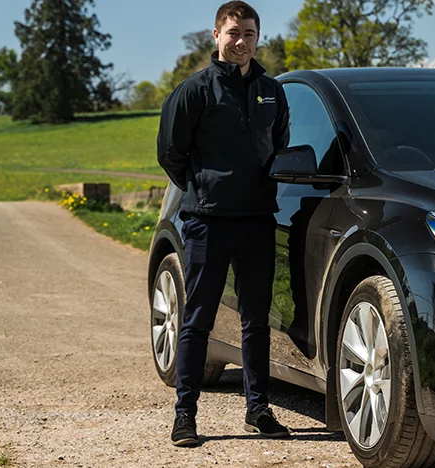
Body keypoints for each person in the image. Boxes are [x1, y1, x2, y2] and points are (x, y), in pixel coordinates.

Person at [156, 0, 291, 447]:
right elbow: (171, 153)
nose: (241, 41)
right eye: (233, 32)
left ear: (258, 38)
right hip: (207, 224)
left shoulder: (273, 91)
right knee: (198, 320)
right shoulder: (193, 91)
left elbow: (279, 145)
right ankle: (185, 415)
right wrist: (202, 190)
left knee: (256, 322)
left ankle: (258, 410)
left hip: (257, 222)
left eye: (249, 33)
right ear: (216, 35)